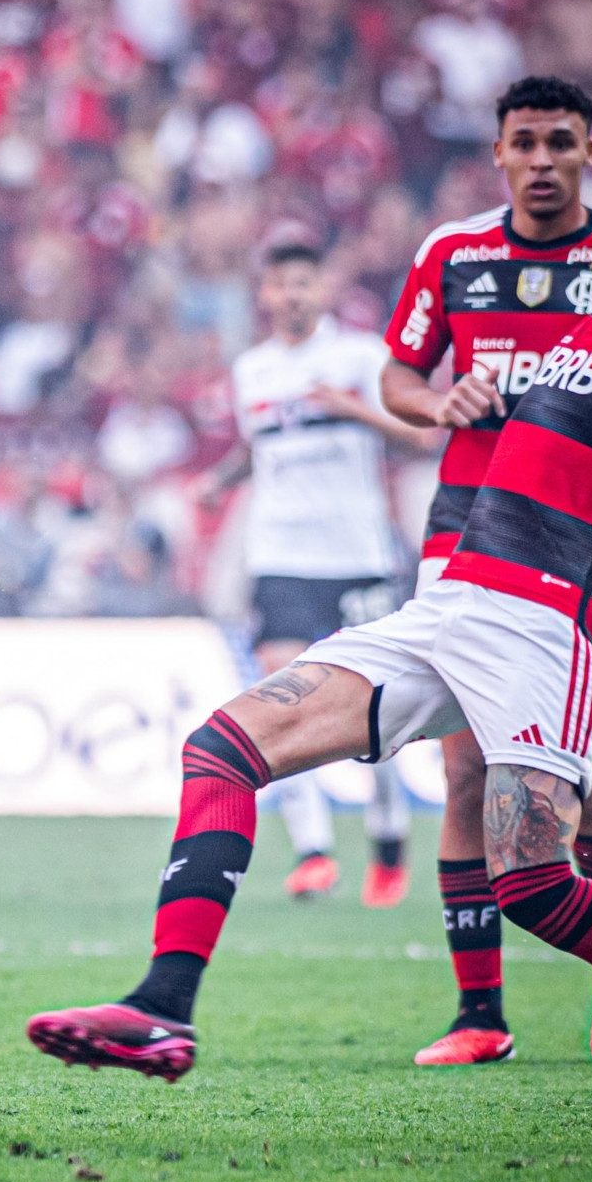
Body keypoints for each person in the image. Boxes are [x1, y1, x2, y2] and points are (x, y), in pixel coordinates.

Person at [26, 23, 592, 1150]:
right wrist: (434, 398)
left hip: (551, 618)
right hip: (448, 596)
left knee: (532, 881)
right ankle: (160, 1008)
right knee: (218, 747)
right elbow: (432, 363)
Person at [378, 76, 592, 1067]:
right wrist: (439, 400)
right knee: (459, 768)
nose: (540, 160)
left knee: (581, 772)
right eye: (522, 142)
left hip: (577, 535)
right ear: (496, 153)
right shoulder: (451, 254)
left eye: (559, 143)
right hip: (460, 528)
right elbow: (396, 377)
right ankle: (478, 1014)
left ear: (589, 153)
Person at [191, 242, 431, 907]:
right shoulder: (251, 370)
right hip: (280, 559)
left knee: (373, 709)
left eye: (303, 282)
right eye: (280, 284)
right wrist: (219, 480)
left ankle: (387, 839)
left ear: (321, 288)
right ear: (264, 295)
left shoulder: (359, 357)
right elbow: (258, 441)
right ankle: (314, 850)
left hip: (356, 555)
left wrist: (352, 407)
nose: (292, 295)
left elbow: (420, 436)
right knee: (275, 697)